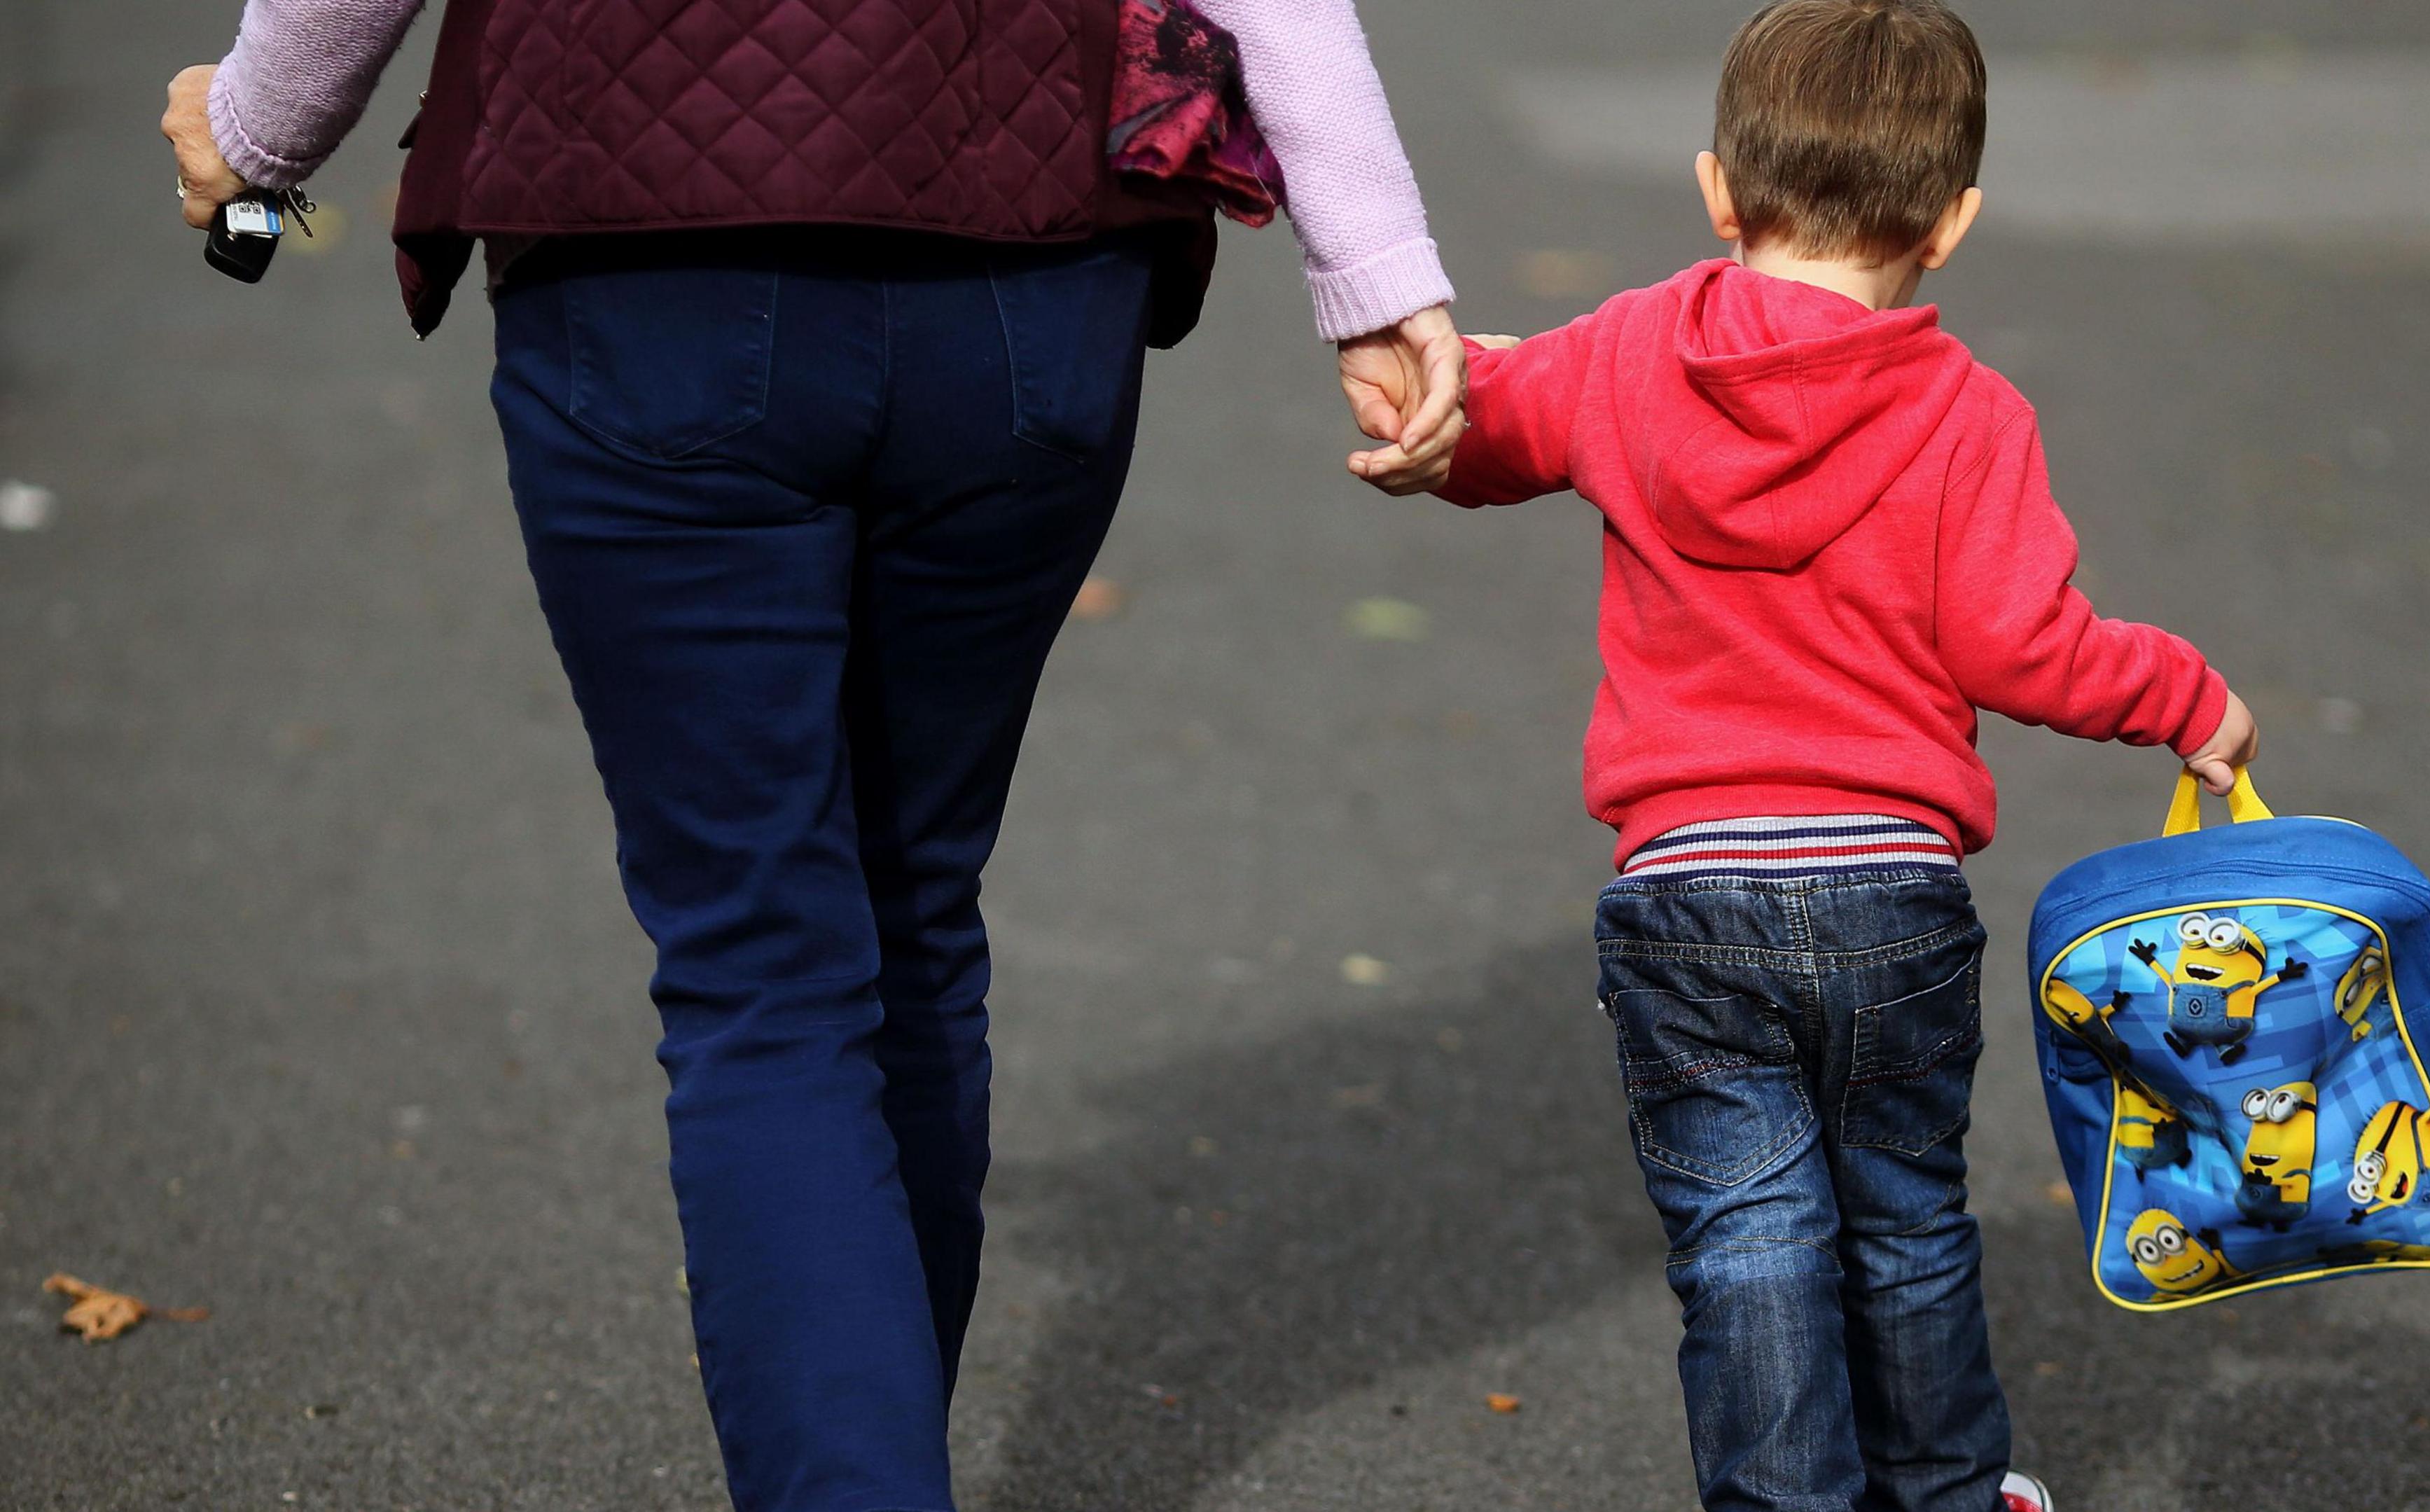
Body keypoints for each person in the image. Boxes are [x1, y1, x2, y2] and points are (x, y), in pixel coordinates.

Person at [160, 2, 1462, 1509]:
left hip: (652, 260)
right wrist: (1374, 273)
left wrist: (258, 131)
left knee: (763, 965)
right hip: (1028, 271)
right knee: (913, 911)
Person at [1401, 4, 2258, 1509]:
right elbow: (2022, 648)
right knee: (1910, 1224)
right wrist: (2183, 696)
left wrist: (1434, 386)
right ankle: (1942, 1491)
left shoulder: (1624, 354)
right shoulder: (1969, 413)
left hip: (1687, 893)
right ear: (1954, 224)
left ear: (1720, 193)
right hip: (1890, 894)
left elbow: (1488, 426)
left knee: (1745, 1241)